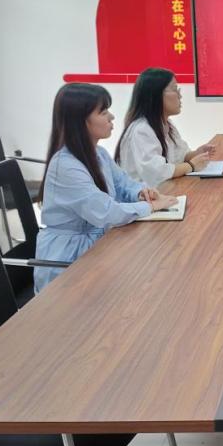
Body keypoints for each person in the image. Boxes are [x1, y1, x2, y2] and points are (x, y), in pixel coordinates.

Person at [34, 83, 177, 292]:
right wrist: (151, 206)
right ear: (80, 121)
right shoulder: (65, 166)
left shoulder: (98, 153)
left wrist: (141, 192)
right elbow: (106, 212)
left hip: (97, 245)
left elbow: (123, 183)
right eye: (103, 112)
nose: (111, 117)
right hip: (68, 263)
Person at [114, 68, 215, 186]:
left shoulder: (167, 124)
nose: (180, 95)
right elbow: (157, 173)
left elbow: (180, 155)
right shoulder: (142, 130)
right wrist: (191, 166)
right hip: (143, 194)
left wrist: (197, 153)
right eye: (174, 89)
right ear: (156, 95)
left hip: (163, 189)